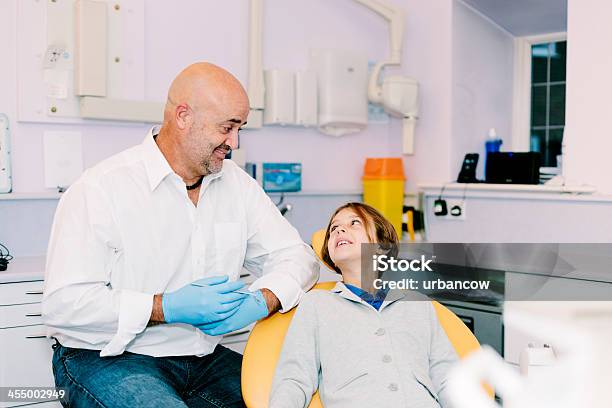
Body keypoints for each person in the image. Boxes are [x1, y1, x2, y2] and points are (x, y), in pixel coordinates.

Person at [42, 62, 320, 407]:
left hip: (203, 358)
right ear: (183, 116)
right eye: (227, 128)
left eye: (240, 129)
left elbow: (298, 256)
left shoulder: (237, 185)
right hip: (108, 357)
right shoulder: (100, 189)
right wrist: (164, 308)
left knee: (298, 399)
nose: (234, 142)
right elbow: (63, 305)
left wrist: (263, 299)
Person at [269, 202, 458, 408]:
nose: (340, 229)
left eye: (354, 223)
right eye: (334, 228)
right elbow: (294, 379)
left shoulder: (418, 303)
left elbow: (448, 377)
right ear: (330, 256)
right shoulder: (316, 304)